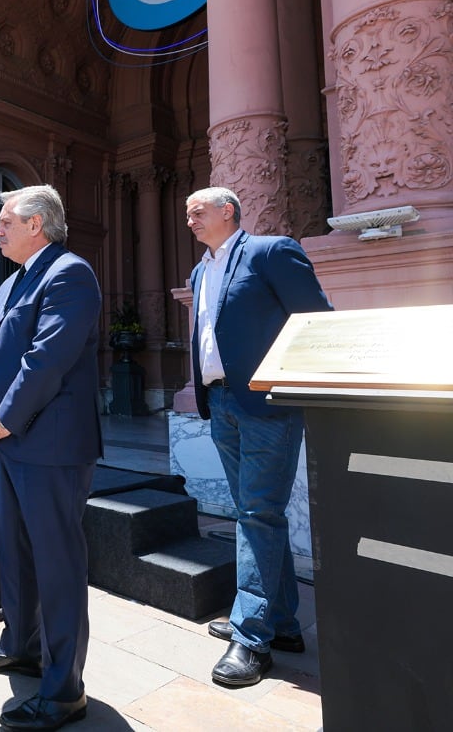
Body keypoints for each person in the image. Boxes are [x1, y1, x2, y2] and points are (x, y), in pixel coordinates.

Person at [0, 185, 101, 732]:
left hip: (51, 442)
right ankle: (20, 646)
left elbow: (49, 358)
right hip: (10, 435)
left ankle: (64, 689)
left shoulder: (69, 273)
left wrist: (6, 416)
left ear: (37, 224)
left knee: (58, 563)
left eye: (5, 222)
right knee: (16, 553)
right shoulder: (12, 282)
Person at [184, 187, 332, 688]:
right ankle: (283, 623)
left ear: (228, 211)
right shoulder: (200, 271)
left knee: (256, 512)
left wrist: (293, 385)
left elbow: (314, 320)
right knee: (255, 511)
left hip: (267, 403)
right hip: (221, 402)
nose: (190, 220)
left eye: (197, 211)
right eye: (187, 214)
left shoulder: (271, 250)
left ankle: (250, 637)